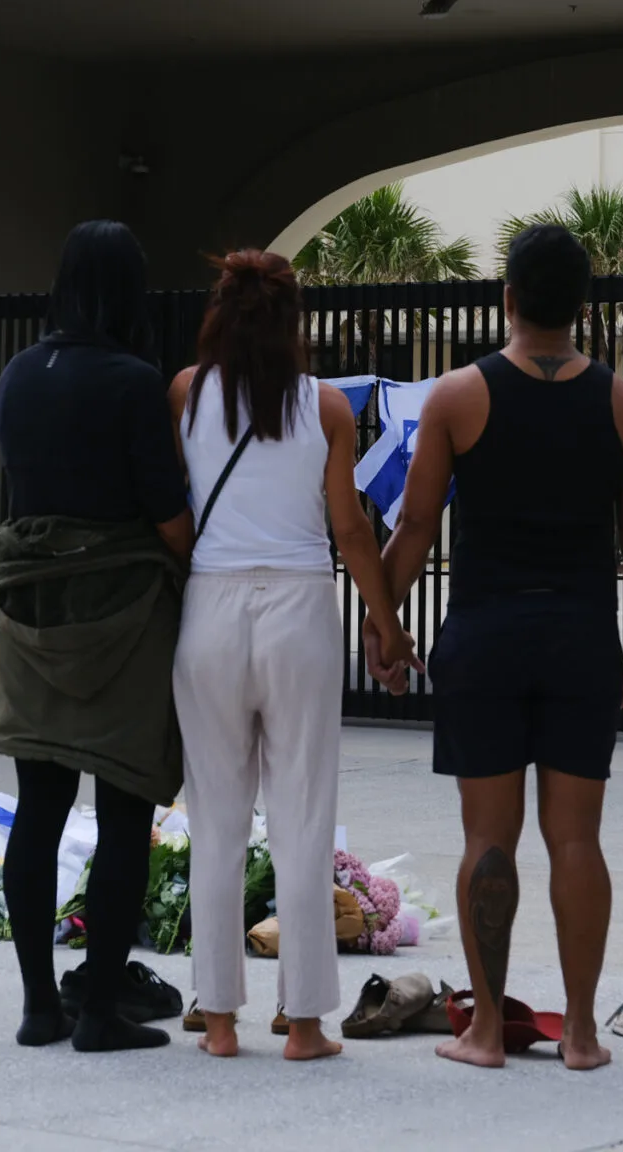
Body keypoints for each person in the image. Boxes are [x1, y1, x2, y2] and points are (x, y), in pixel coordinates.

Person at [366, 223, 623, 1073]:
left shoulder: (457, 397)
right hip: (580, 637)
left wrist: (384, 624)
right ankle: (582, 1034)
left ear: (507, 298)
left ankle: (489, 1030)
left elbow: (416, 527)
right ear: (583, 308)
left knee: (486, 838)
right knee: (577, 840)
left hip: (486, 637)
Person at [169, 249, 418, 1062]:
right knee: (302, 819)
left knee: (216, 820)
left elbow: (177, 510)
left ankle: (217, 1020)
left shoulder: (185, 393)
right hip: (300, 611)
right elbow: (350, 529)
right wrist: (387, 626)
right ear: (294, 323)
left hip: (210, 607)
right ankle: (305, 1023)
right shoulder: (326, 407)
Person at [0, 220, 191, 1053]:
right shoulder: (134, 382)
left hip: (30, 612)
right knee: (123, 813)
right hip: (122, 616)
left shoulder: (17, 374)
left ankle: (40, 1005)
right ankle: (101, 1011)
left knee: (38, 809)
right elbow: (167, 514)